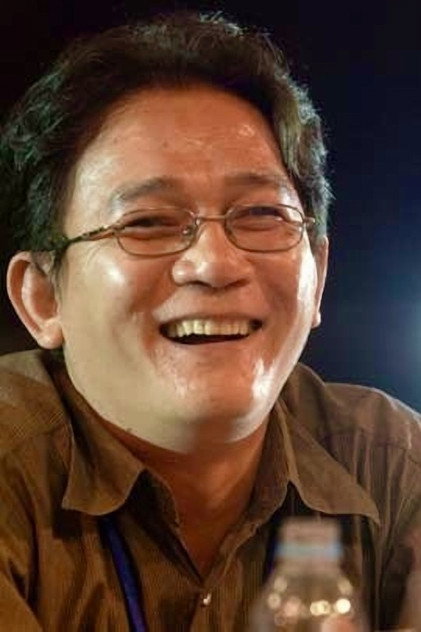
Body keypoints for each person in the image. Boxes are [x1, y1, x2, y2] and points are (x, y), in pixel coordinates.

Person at [0, 12, 419, 632]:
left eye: (261, 215)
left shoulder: (394, 465)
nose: (216, 263)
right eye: (147, 222)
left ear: (319, 273)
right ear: (42, 298)